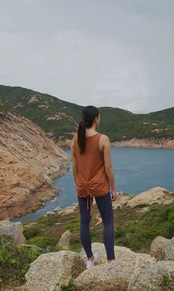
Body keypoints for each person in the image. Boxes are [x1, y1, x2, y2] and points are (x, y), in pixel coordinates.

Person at [71, 106, 118, 268]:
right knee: (108, 222)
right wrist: (114, 189)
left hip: (82, 186)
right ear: (97, 119)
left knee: (84, 222)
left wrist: (77, 184)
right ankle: (111, 260)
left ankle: (90, 259)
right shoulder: (102, 139)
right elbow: (108, 168)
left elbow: (75, 167)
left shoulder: (75, 139)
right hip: (99, 186)